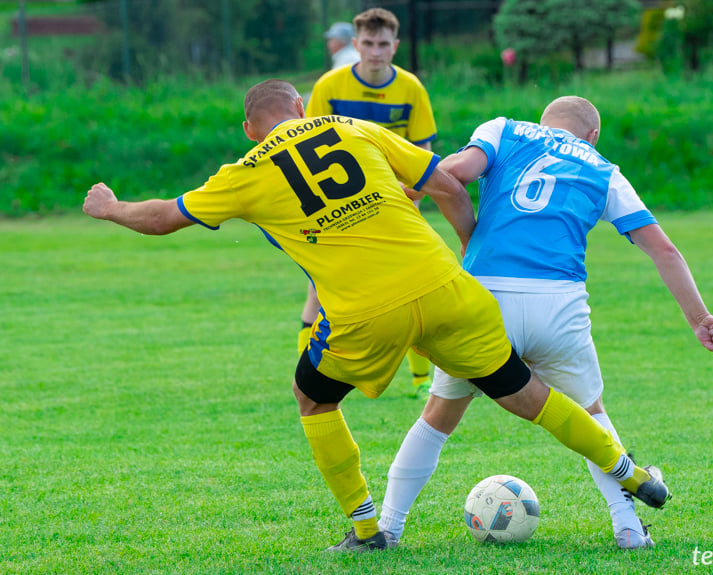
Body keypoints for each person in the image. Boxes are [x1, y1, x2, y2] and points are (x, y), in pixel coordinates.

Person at [82, 80, 670, 553]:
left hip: (366, 316)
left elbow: (162, 216)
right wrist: (465, 253)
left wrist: (110, 209)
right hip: (449, 289)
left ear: (249, 129)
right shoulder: (351, 126)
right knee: (528, 395)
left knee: (313, 397)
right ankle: (633, 474)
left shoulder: (245, 172)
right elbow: (446, 184)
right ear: (301, 107)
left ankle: (368, 529)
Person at [378, 96, 713, 549]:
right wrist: (700, 317)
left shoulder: (504, 129)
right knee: (591, 415)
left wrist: (405, 192)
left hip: (485, 298)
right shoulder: (605, 170)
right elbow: (663, 250)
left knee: (438, 417)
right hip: (557, 303)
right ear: (592, 136)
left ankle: (388, 527)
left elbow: (455, 173)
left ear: (544, 121)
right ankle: (627, 528)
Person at [298, 7, 439, 393]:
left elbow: (422, 153)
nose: (375, 52)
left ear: (395, 46)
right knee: (320, 287)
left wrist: (409, 200)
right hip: (344, 208)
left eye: (383, 44)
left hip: (397, 205)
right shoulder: (330, 87)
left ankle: (419, 381)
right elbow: (307, 149)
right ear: (355, 45)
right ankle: (307, 380)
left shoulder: (411, 89)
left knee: (412, 287)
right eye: (368, 44)